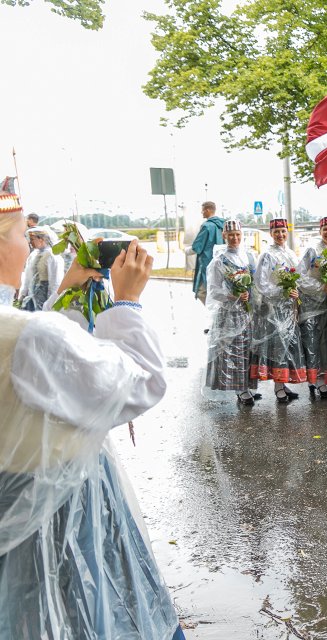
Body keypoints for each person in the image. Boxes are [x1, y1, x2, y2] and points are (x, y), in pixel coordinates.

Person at [0, 192, 183, 639]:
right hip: (62, 509)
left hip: (12, 501)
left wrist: (65, 295)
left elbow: (41, 367)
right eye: (24, 234)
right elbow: (138, 383)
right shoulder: (30, 337)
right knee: (90, 610)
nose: (30, 245)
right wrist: (127, 300)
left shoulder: (21, 330)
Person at [204, 219, 261, 405]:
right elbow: (213, 291)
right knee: (235, 351)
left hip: (247, 312)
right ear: (224, 236)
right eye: (231, 235)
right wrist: (233, 294)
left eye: (237, 235)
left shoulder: (249, 257)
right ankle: (240, 389)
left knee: (249, 350)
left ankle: (247, 385)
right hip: (230, 314)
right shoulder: (219, 261)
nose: (234, 238)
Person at [253, 216, 306, 403]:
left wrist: (295, 293)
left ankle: (282, 384)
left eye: (283, 231)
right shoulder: (268, 255)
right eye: (277, 232)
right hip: (274, 309)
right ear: (271, 234)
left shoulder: (291, 253)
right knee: (278, 347)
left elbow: (299, 277)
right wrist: (282, 292)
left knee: (287, 345)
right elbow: (261, 282)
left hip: (289, 307)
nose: (281, 235)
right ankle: (278, 388)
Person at [297, 216, 327, 399]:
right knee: (312, 342)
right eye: (326, 229)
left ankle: (321, 380)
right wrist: (319, 287)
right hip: (312, 305)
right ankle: (314, 382)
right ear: (320, 231)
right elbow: (299, 276)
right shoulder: (312, 250)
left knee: (325, 344)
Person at [19, 226, 63, 312]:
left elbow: (55, 282)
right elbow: (28, 277)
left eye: (32, 239)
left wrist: (51, 301)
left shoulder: (52, 255)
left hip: (45, 292)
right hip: (32, 294)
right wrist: (23, 294)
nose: (30, 242)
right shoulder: (33, 255)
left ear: (41, 239)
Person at [190, 200, 225, 304]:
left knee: (202, 291)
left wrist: (186, 250)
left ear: (208, 210)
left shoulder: (207, 226)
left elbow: (197, 247)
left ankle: (214, 314)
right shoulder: (222, 224)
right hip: (221, 262)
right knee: (219, 289)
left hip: (207, 263)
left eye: (203, 210)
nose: (202, 212)